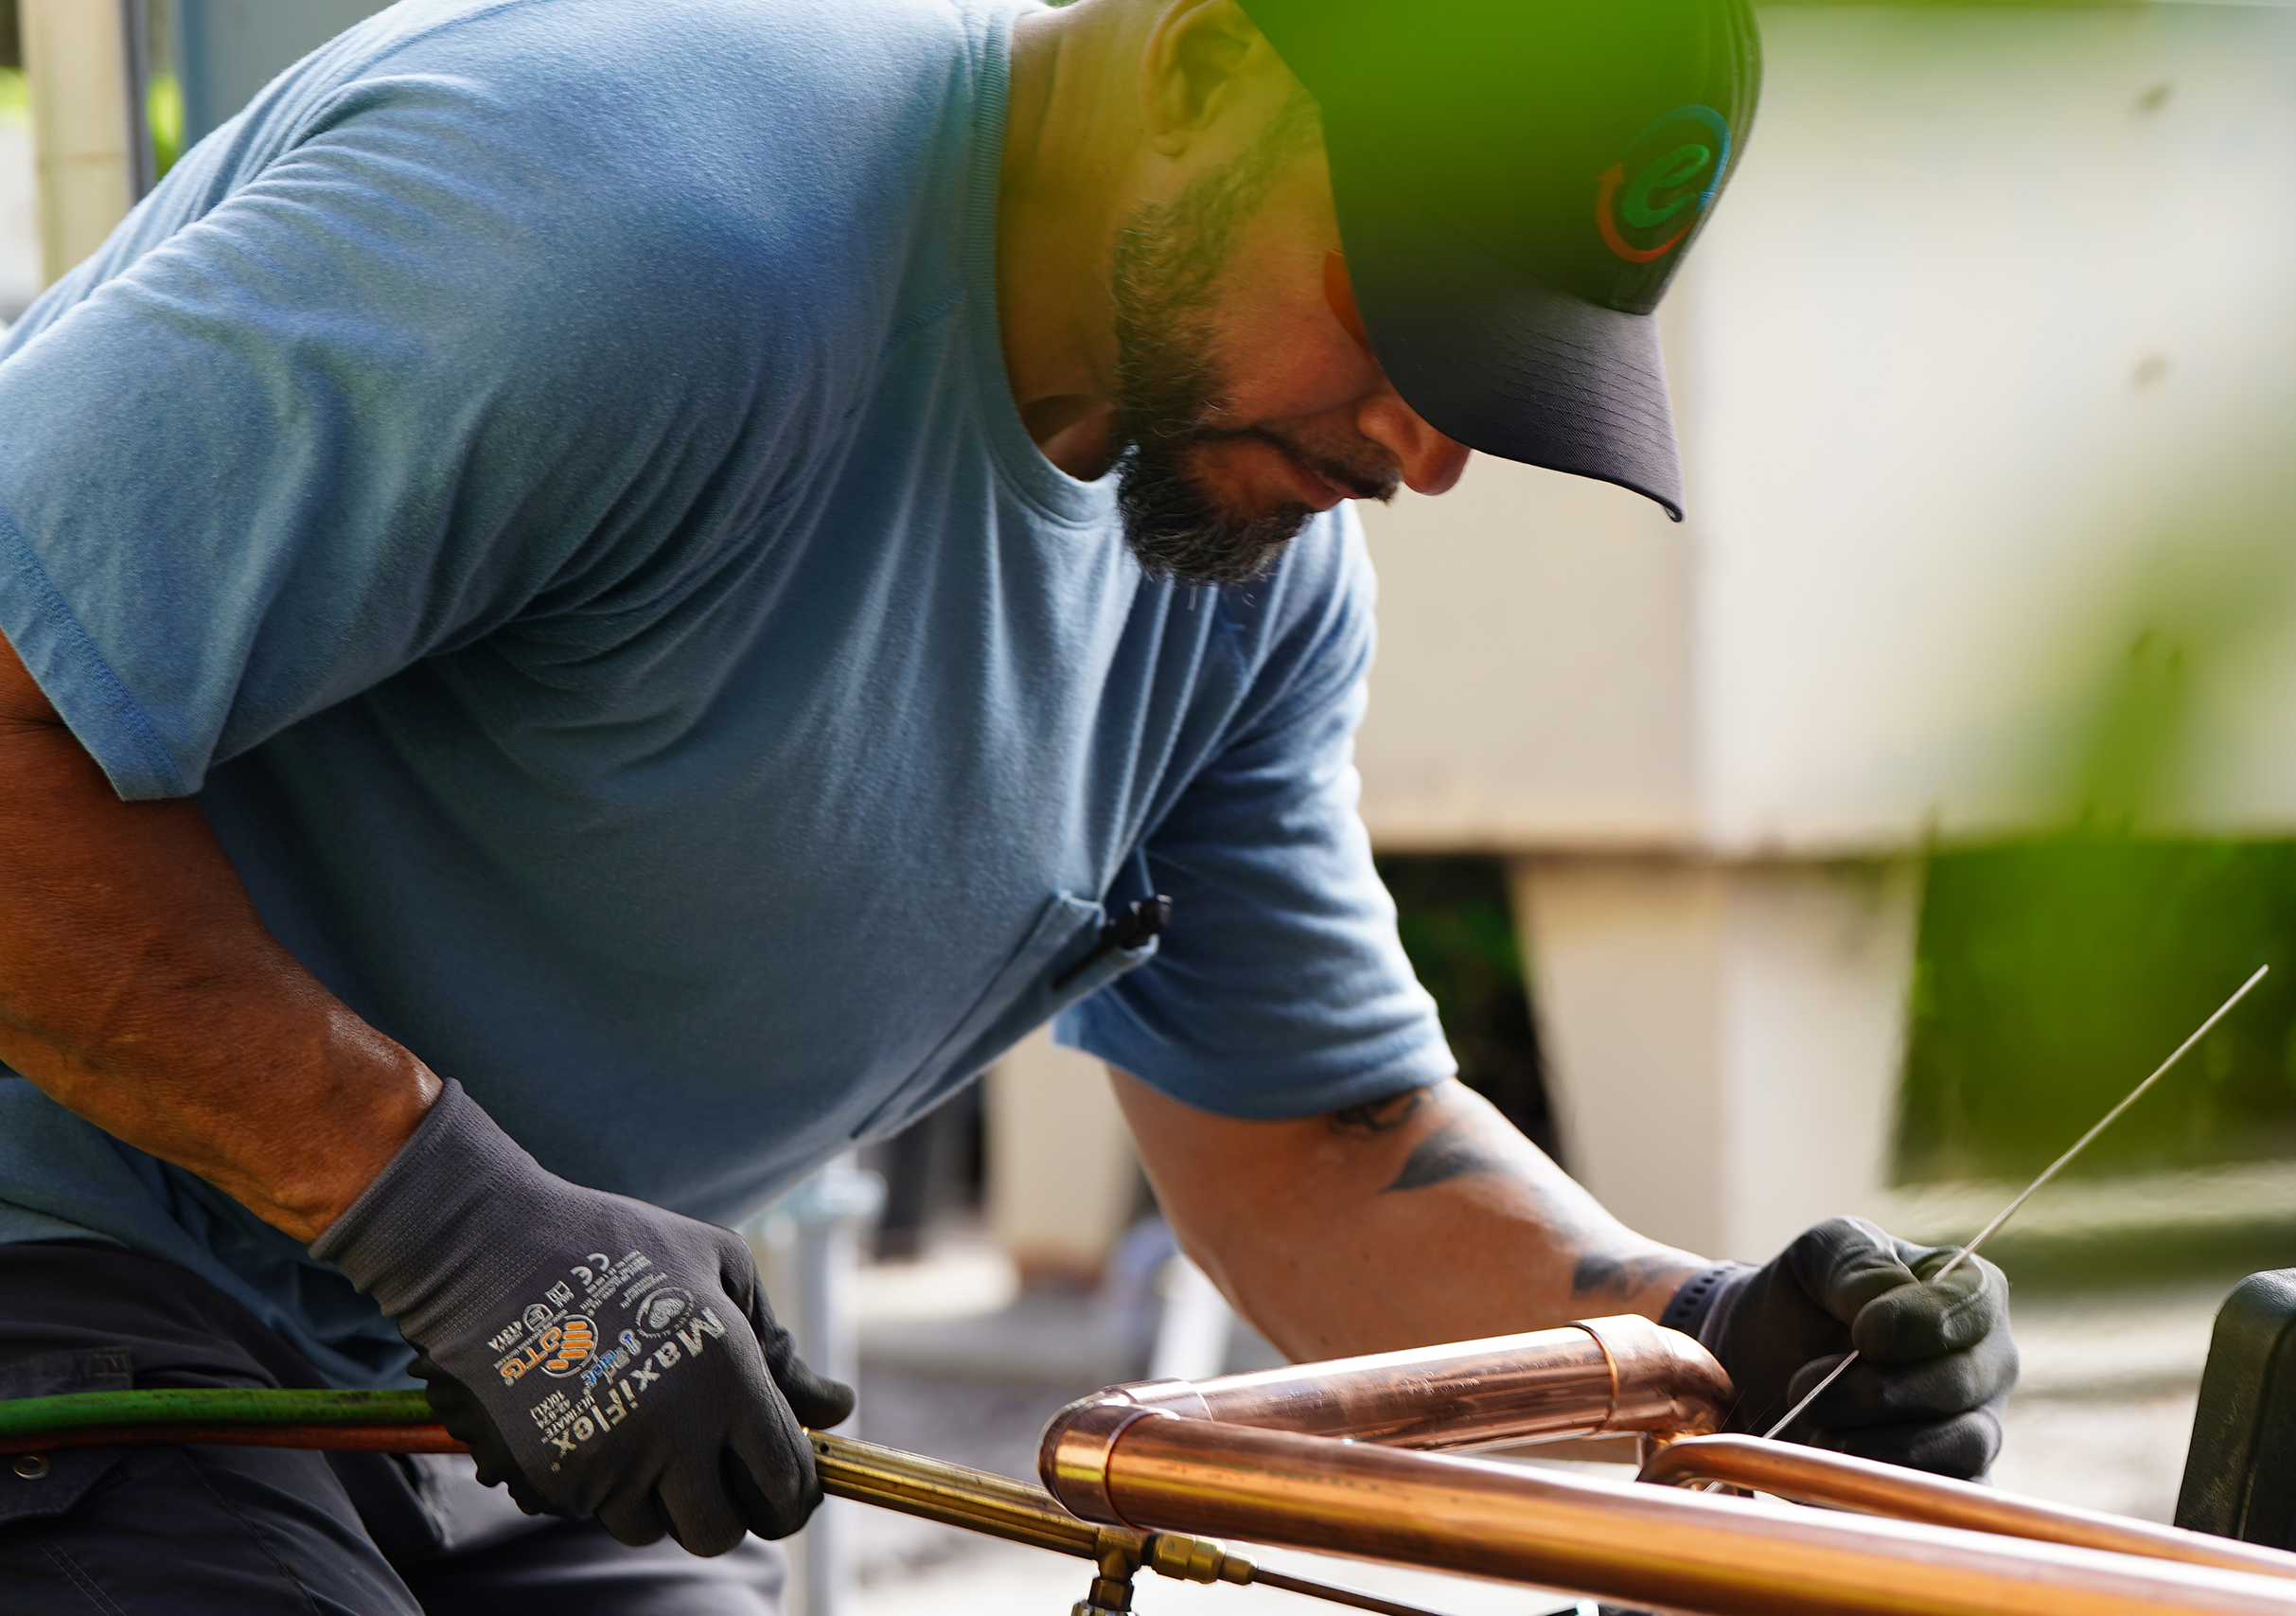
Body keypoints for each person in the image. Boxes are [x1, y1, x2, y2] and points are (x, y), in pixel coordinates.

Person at [0, 0, 2016, 1608]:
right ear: (1199, 71)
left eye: (1503, 378)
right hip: (79, 1276)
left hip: (478, 1385)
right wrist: (452, 1217)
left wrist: (1701, 1337)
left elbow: (1311, 1141)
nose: (1427, 447)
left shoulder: (1241, 577)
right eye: (1402, 311)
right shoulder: (633, 223)